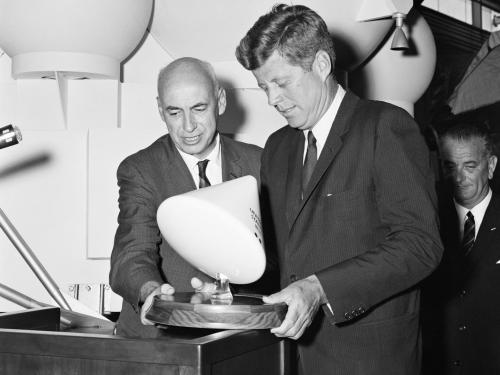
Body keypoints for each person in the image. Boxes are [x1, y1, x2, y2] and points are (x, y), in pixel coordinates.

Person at [235, 4, 443, 374]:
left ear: (320, 65)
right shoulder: (277, 148)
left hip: (369, 358)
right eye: (264, 87)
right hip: (292, 357)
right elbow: (281, 257)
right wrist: (227, 278)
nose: (272, 99)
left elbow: (420, 244)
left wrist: (319, 288)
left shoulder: (386, 127)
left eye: (281, 82)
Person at [109, 57, 265, 338]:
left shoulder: (260, 163)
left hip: (236, 342)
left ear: (221, 101)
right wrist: (151, 293)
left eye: (199, 108)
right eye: (174, 112)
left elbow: (278, 255)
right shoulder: (140, 170)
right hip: (161, 341)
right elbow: (132, 252)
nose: (188, 126)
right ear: (160, 109)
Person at [422, 123, 500, 374]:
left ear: (490, 166)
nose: (458, 178)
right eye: (449, 167)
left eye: (469, 166)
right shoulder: (426, 221)